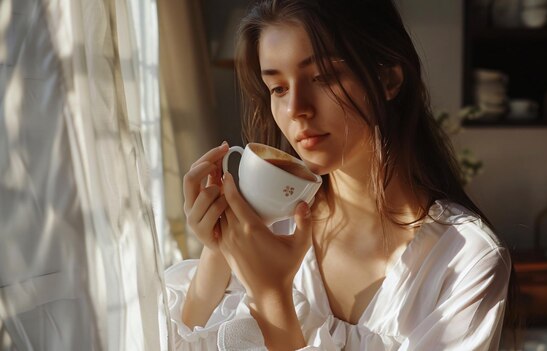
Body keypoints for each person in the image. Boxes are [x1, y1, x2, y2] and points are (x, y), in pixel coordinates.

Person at [162, 0, 516, 350]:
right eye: (278, 88)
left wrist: (272, 297)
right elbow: (185, 342)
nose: (296, 109)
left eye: (322, 77)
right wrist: (218, 249)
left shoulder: (467, 258)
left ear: (388, 79)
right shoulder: (266, 227)